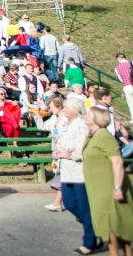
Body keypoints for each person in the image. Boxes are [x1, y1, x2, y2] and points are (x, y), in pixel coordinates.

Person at [83, 106, 133, 256]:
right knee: (110, 227)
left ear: (96, 118)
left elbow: (117, 162)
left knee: (114, 227)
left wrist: (117, 187)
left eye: (89, 114)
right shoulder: (92, 136)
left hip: (109, 187)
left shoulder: (104, 136)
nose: (86, 116)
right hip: (97, 188)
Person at [55, 100, 98, 255]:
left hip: (79, 172)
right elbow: (59, 142)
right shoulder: (64, 123)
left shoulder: (81, 126)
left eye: (66, 107)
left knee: (84, 207)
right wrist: (57, 151)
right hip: (66, 171)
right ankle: (95, 227)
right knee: (69, 203)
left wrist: (67, 153)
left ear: (75, 110)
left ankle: (89, 241)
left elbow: (80, 150)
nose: (64, 109)